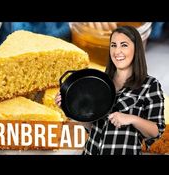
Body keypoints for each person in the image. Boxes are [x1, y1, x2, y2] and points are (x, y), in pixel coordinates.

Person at [55, 25, 166, 155]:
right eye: (113, 45)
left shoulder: (149, 85)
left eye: (124, 45)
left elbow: (156, 131)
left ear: (137, 49)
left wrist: (131, 119)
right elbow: (91, 128)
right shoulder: (100, 82)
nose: (117, 51)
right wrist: (73, 108)